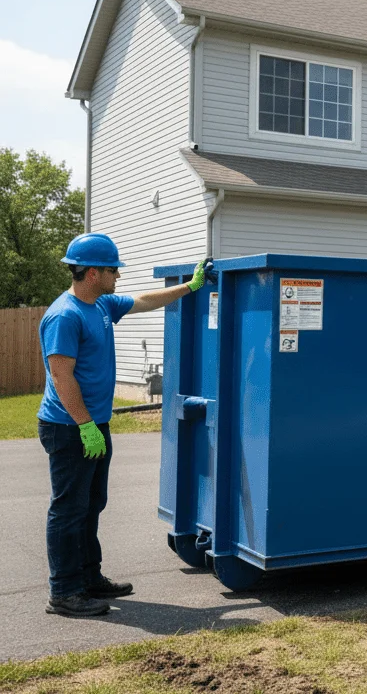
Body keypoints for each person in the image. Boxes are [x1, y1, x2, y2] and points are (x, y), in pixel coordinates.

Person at [37, 233, 208, 617]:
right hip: (69, 428)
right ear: (94, 272)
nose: (119, 275)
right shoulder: (65, 315)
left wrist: (191, 286)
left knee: (91, 504)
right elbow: (62, 378)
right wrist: (84, 424)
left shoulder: (100, 305)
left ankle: (88, 577)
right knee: (68, 509)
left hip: (94, 424)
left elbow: (145, 301)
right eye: (114, 269)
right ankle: (63, 592)